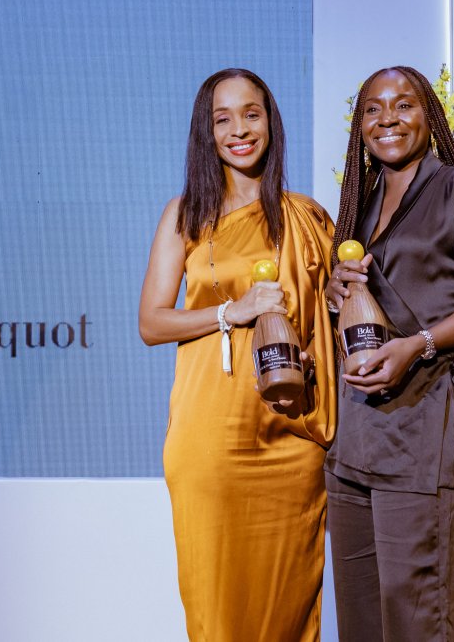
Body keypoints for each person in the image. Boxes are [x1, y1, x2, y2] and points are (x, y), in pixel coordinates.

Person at [139, 68, 336, 641]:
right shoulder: (185, 215)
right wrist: (233, 311)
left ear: (270, 121)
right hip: (210, 442)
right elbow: (152, 322)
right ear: (207, 132)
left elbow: (328, 321)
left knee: (288, 613)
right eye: (222, 119)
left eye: (251, 114)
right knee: (218, 612)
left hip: (291, 437)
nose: (239, 131)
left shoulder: (307, 216)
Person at [325, 65, 454, 641]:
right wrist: (335, 292)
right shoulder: (359, 206)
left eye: (403, 104)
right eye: (372, 109)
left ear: (429, 116)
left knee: (420, 619)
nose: (387, 119)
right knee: (361, 619)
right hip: (356, 436)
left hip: (425, 427)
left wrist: (419, 344)